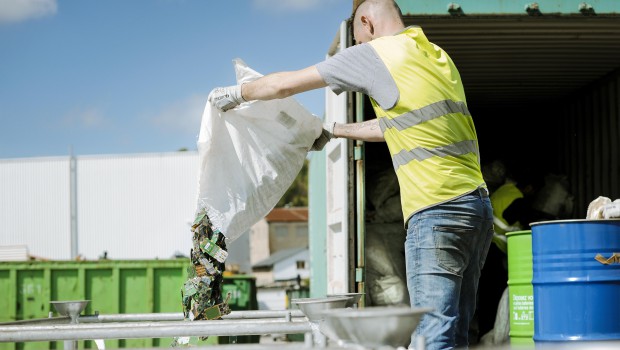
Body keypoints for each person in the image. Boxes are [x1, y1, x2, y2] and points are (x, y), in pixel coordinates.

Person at [209, 1, 494, 349]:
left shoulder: (377, 55)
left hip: (436, 213)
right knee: (456, 333)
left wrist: (236, 93)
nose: (359, 47)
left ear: (366, 22)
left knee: (432, 337)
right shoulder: (434, 55)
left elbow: (286, 85)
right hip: (476, 210)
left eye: (358, 40)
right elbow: (399, 125)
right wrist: (334, 129)